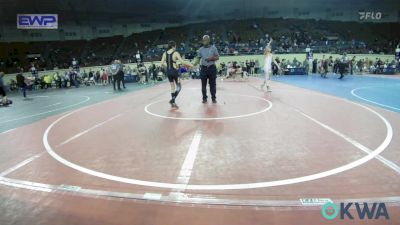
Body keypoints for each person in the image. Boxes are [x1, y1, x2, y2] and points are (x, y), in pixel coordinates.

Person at [161, 40, 193, 109]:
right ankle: (172, 100)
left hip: (168, 72)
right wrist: (190, 65)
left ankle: (173, 103)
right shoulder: (175, 53)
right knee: (179, 87)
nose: (175, 48)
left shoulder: (164, 53)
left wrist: (168, 66)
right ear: (173, 46)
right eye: (175, 46)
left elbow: (162, 63)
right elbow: (182, 61)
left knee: (172, 87)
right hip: (174, 72)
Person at [194, 35, 220, 103]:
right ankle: (204, 98)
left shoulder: (214, 48)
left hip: (212, 68)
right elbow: (198, 58)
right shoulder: (200, 49)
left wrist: (211, 58)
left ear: (209, 40)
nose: (204, 42)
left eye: (205, 40)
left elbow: (217, 57)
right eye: (203, 40)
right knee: (203, 85)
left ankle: (213, 98)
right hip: (203, 68)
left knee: (213, 84)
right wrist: (193, 64)